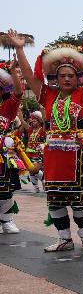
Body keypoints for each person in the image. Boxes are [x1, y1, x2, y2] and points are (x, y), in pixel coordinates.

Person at [11, 31, 83, 252]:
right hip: (53, 155)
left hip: (77, 156)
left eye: (71, 75)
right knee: (55, 200)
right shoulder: (48, 96)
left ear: (77, 76)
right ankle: (64, 238)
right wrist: (20, 49)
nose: (67, 79)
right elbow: (29, 76)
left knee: (78, 201)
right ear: (56, 78)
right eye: (62, 76)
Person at [0, 62, 25, 233]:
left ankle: (6, 220)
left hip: (4, 154)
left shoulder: (7, 107)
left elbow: (18, 92)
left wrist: (12, 72)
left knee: (7, 188)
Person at [23, 111, 46, 192]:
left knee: (33, 170)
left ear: (40, 122)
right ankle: (36, 188)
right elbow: (22, 122)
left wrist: (42, 109)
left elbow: (45, 121)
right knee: (31, 171)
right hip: (28, 154)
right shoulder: (30, 130)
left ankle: (44, 180)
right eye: (32, 121)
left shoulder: (42, 130)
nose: (33, 123)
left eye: (35, 121)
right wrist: (18, 110)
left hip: (38, 153)